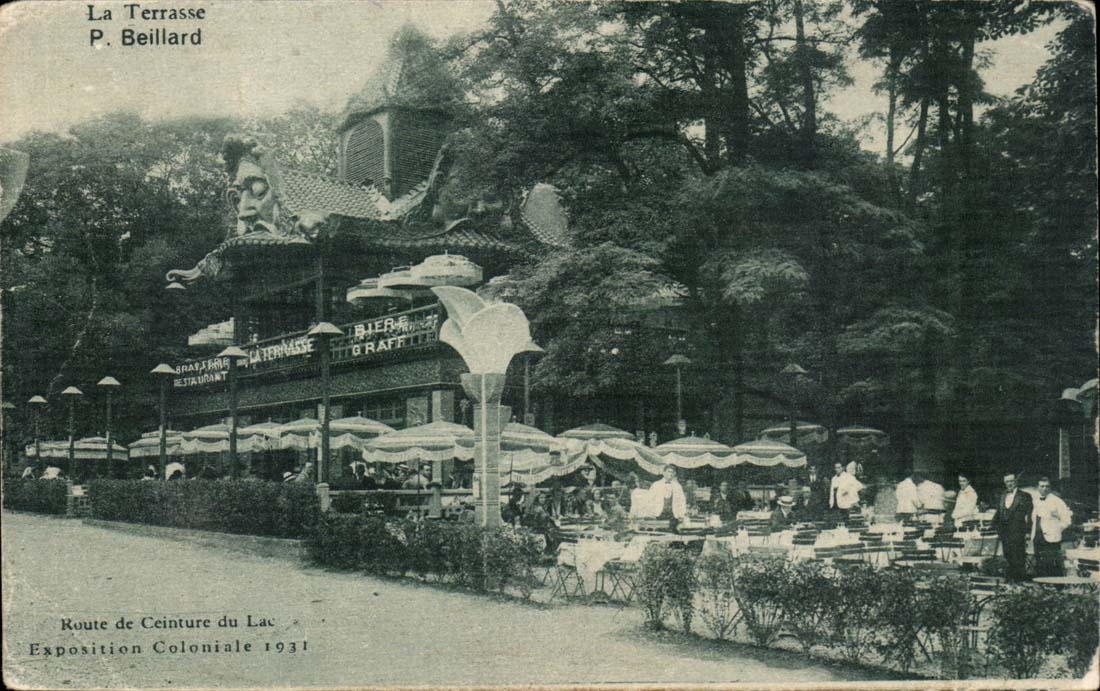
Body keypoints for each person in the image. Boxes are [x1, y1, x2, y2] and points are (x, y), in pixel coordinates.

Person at [991, 472, 1033, 582]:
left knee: (1018, 557)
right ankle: (1009, 581)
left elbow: (1030, 515)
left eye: (1011, 481)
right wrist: (993, 525)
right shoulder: (1003, 495)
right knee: (1007, 556)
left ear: (1016, 481)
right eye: (1007, 481)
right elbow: (999, 512)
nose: (1009, 484)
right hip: (1004, 531)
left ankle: (1019, 582)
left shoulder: (1024, 496)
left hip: (1018, 531)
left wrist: (1028, 531)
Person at [1031, 476, 1073, 578]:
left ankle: (1057, 588)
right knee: (1040, 563)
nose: (1044, 489)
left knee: (1053, 563)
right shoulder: (1035, 501)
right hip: (1038, 537)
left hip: (1052, 538)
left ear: (1050, 488)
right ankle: (1043, 586)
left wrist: (1057, 529)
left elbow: (1067, 520)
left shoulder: (1057, 501)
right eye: (1042, 486)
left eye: (1047, 486)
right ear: (1038, 487)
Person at [632, 464, 687, 530]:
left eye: (673, 472)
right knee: (660, 531)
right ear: (663, 473)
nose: (671, 474)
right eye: (669, 471)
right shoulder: (656, 485)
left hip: (673, 514)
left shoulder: (677, 486)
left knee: (673, 533)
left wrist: (681, 514)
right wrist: (651, 513)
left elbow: (682, 501)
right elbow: (649, 500)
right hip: (659, 514)